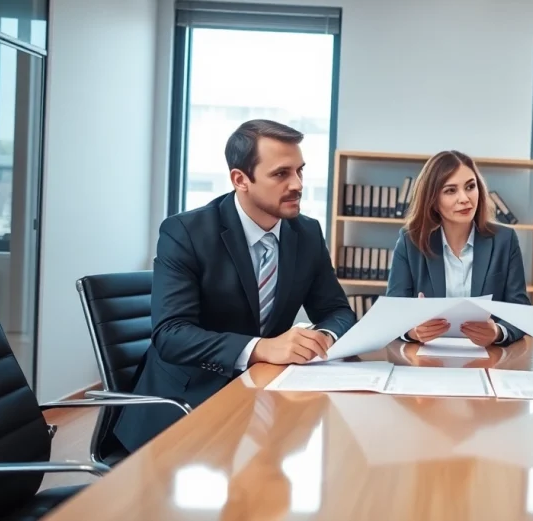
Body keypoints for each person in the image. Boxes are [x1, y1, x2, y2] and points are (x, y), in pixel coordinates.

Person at [114, 119, 356, 453]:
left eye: (300, 171)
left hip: (266, 397)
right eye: (281, 174)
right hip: (184, 408)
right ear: (240, 179)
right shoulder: (186, 232)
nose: (297, 184)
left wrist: (322, 339)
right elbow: (171, 334)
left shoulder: (307, 233)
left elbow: (336, 310)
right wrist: (260, 348)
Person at [386, 150, 529, 346]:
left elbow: (520, 310)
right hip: (427, 360)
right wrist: (412, 331)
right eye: (450, 190)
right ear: (433, 201)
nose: (464, 198)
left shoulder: (505, 240)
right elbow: (392, 313)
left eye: (470, 186)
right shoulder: (411, 241)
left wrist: (498, 332)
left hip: (487, 359)